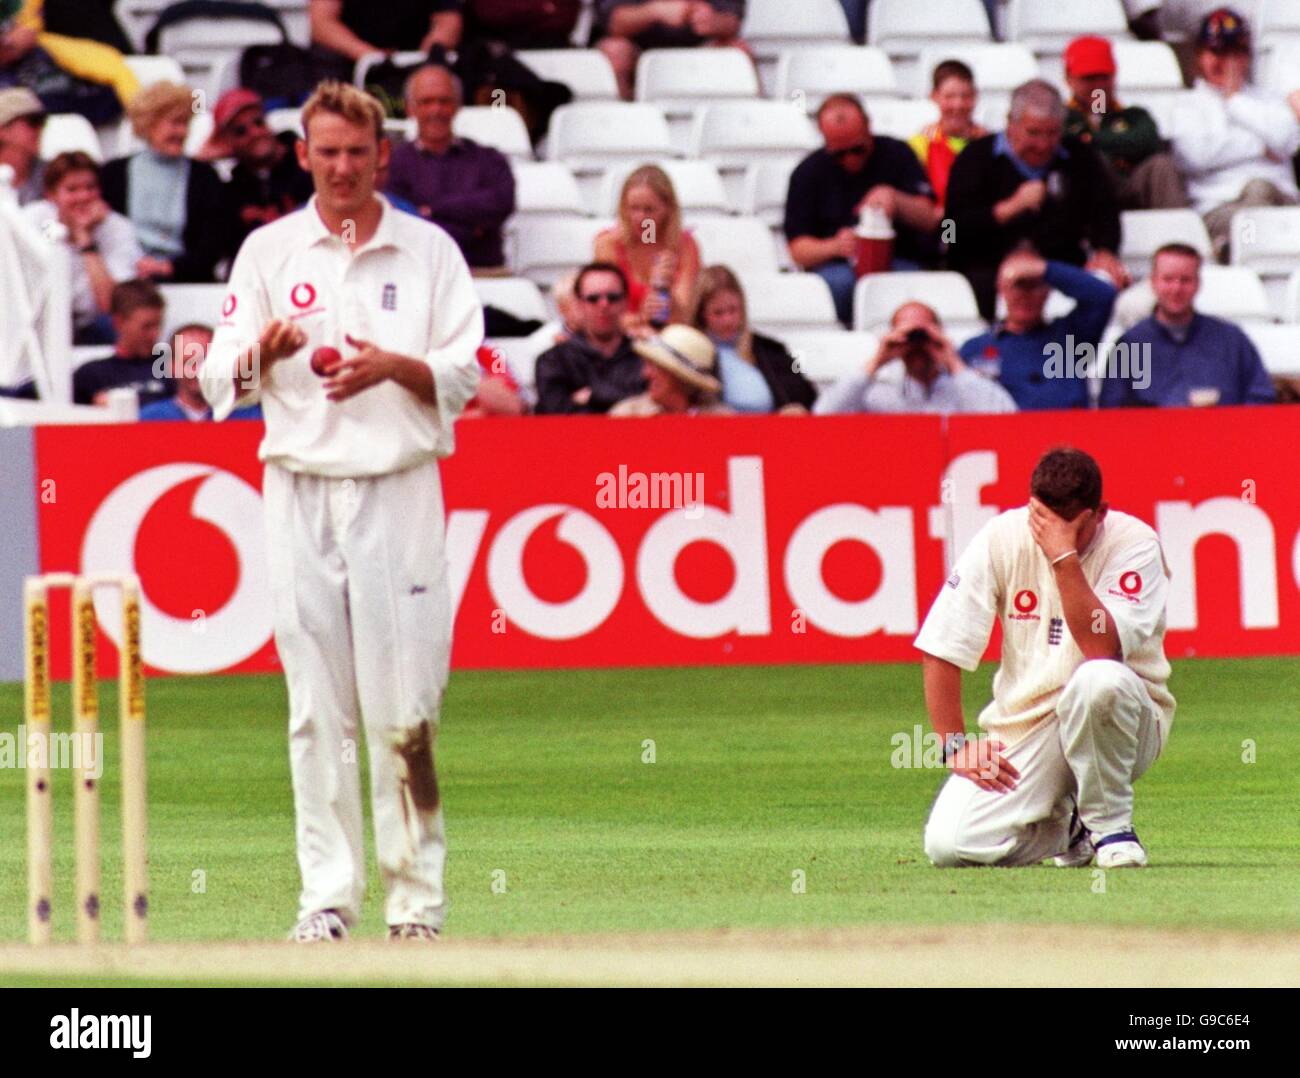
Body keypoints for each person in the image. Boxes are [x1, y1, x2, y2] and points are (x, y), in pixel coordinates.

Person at [199, 81, 483, 943]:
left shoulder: (428, 251)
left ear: (382, 154)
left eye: (358, 152)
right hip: (298, 488)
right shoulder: (267, 252)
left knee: (407, 709)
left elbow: (469, 372)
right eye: (327, 153)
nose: (344, 167)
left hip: (398, 488)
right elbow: (215, 379)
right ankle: (325, 900)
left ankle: (415, 907)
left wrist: (396, 368)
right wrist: (262, 352)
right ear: (303, 155)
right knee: (315, 706)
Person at [916, 446, 1175, 869]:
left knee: (1098, 681)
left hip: (1125, 720)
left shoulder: (1136, 545)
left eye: (1071, 527)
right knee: (951, 845)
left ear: (1099, 513)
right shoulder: (1001, 536)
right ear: (1031, 504)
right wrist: (954, 745)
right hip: (1029, 724)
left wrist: (1063, 557)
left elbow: (1101, 648)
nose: (1053, 533)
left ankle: (1111, 826)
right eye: (1043, 519)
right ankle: (1068, 830)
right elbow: (942, 643)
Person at [946, 79, 1126, 320]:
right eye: (1033, 133)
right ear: (1011, 123)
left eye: (1052, 134)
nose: (1042, 144)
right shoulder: (975, 158)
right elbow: (952, 230)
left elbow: (1105, 211)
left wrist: (1105, 250)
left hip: (1060, 266)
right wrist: (1008, 209)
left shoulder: (1079, 157)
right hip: (989, 270)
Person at [785, 95, 941, 326]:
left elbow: (931, 218)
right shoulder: (808, 173)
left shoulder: (897, 153)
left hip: (899, 259)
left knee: (917, 286)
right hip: (838, 267)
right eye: (839, 153)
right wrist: (835, 247)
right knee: (836, 286)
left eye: (857, 149)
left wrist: (895, 199)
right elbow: (798, 250)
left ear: (868, 126)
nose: (850, 159)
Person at [1167, 7, 1300, 263]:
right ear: (1200, 56)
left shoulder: (1267, 98)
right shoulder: (1188, 104)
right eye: (1217, 52)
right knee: (1257, 197)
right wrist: (1261, 147)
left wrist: (1235, 100)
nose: (1226, 62)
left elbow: (1289, 141)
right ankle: (1241, 256)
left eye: (1235, 53)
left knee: (1265, 196)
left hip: (1284, 204)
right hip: (1224, 208)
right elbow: (1194, 156)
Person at [1101, 243, 1275, 407]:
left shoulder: (1232, 340)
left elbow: (1261, 398)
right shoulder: (1130, 346)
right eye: (1168, 279)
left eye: (1185, 280)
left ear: (1198, 283)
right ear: (1153, 282)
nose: (1176, 289)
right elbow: (1113, 414)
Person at [385, 64, 516, 273]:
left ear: (458, 105)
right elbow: (401, 221)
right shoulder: (393, 162)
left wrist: (434, 209)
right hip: (416, 273)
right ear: (410, 108)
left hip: (481, 272)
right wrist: (472, 226)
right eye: (426, 102)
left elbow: (501, 203)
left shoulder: (489, 159)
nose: (436, 110)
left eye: (444, 101)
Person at [100, 81, 232, 283]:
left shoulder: (204, 176)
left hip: (187, 280)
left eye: (185, 123)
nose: (182, 132)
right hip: (126, 281)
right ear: (148, 124)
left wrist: (168, 267)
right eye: (174, 123)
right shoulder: (114, 173)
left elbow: (213, 245)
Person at [960, 250, 1117, 411]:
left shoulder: (1071, 337)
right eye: (1019, 285)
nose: (1025, 295)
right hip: (1002, 433)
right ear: (1001, 288)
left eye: (1034, 285)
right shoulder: (974, 348)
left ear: (1048, 290)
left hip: (1068, 432)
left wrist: (1045, 269)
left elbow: (1104, 295)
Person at [23, 150, 143, 345]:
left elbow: (111, 306)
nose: (84, 196)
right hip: (41, 318)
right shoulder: (33, 220)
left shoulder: (117, 227)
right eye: (72, 189)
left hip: (93, 324)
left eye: (90, 187)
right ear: (51, 195)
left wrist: (85, 239)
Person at [816, 301, 1016, 415]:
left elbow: (1005, 417)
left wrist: (953, 362)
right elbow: (823, 415)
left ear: (939, 333)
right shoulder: (880, 394)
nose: (917, 345)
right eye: (907, 335)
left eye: (924, 334)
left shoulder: (964, 389)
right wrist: (877, 361)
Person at [1063, 35, 1188, 211]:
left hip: (1133, 191)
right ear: (1069, 78)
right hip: (1086, 200)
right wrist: (1113, 142)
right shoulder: (1060, 118)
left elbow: (1149, 141)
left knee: (1162, 165)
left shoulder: (1134, 116)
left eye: (1104, 77)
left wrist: (1091, 138)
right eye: (1090, 78)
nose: (1098, 86)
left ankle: (1178, 234)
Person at [691, 264, 816, 414]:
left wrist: (793, 409)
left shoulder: (771, 349)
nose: (728, 320)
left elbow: (808, 396)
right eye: (718, 313)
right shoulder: (692, 354)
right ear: (701, 314)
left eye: (733, 310)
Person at [199, 88, 313, 247]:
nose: (255, 133)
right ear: (227, 143)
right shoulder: (233, 192)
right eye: (240, 131)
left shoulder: (308, 162)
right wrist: (202, 157)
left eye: (258, 122)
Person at [594, 164, 700, 332]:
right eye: (634, 209)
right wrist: (642, 318)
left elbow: (685, 316)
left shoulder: (685, 246)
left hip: (668, 337)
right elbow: (604, 312)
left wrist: (666, 294)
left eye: (649, 210)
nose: (641, 218)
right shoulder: (608, 244)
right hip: (622, 340)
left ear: (668, 209)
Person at [534, 262, 645, 414]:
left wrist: (593, 395)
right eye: (593, 299)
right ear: (580, 304)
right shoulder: (553, 361)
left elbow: (653, 409)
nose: (604, 304)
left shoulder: (645, 359)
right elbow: (557, 417)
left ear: (626, 302)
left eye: (613, 297)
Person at [596, 1, 747, 101]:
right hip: (637, 51)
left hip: (701, 48)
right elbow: (613, 23)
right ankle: (622, 129)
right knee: (615, 51)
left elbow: (732, 21)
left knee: (739, 51)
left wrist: (713, 21)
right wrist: (655, 11)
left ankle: (753, 131)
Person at [72, 279, 173, 406]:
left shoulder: (172, 367)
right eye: (146, 326)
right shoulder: (90, 375)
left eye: (158, 325)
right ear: (119, 322)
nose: (155, 333)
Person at [309, 0, 463, 82]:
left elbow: (448, 22)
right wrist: (375, 58)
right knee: (324, 59)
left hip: (416, 60)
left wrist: (428, 55)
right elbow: (322, 23)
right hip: (352, 59)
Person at [139, 324, 263, 421]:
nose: (198, 371)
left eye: (206, 361)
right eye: (189, 362)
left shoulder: (249, 416)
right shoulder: (150, 418)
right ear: (172, 366)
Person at [907, 60, 988, 208]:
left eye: (966, 96)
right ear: (934, 96)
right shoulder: (921, 144)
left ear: (975, 96)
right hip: (943, 227)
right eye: (949, 97)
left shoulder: (989, 144)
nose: (958, 105)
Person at [610, 322, 731, 415]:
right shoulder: (628, 414)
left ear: (681, 377)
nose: (645, 374)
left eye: (655, 366)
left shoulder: (722, 422)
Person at [0, 86, 44, 203]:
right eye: (33, 121)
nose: (40, 129)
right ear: (3, 129)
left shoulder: (53, 174)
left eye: (42, 121)